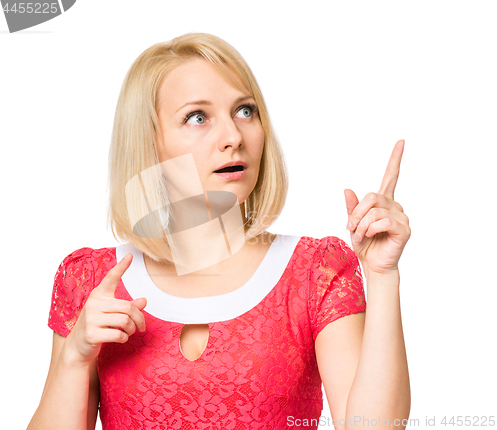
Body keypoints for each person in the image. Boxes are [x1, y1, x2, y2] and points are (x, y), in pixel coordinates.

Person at [27, 33, 411, 430]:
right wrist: (74, 357)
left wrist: (382, 277)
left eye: (245, 111)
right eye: (198, 117)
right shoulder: (91, 280)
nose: (233, 137)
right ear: (149, 142)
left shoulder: (315, 272)